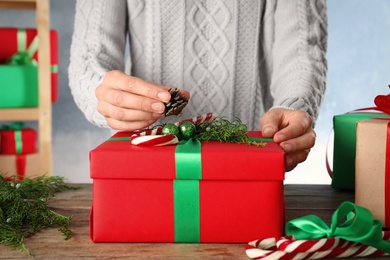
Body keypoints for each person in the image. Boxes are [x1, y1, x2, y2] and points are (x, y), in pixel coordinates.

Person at [68, 0, 328, 171]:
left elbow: (302, 48)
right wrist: (103, 93)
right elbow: (91, 56)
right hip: (148, 164)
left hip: (247, 162)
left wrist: (294, 104)